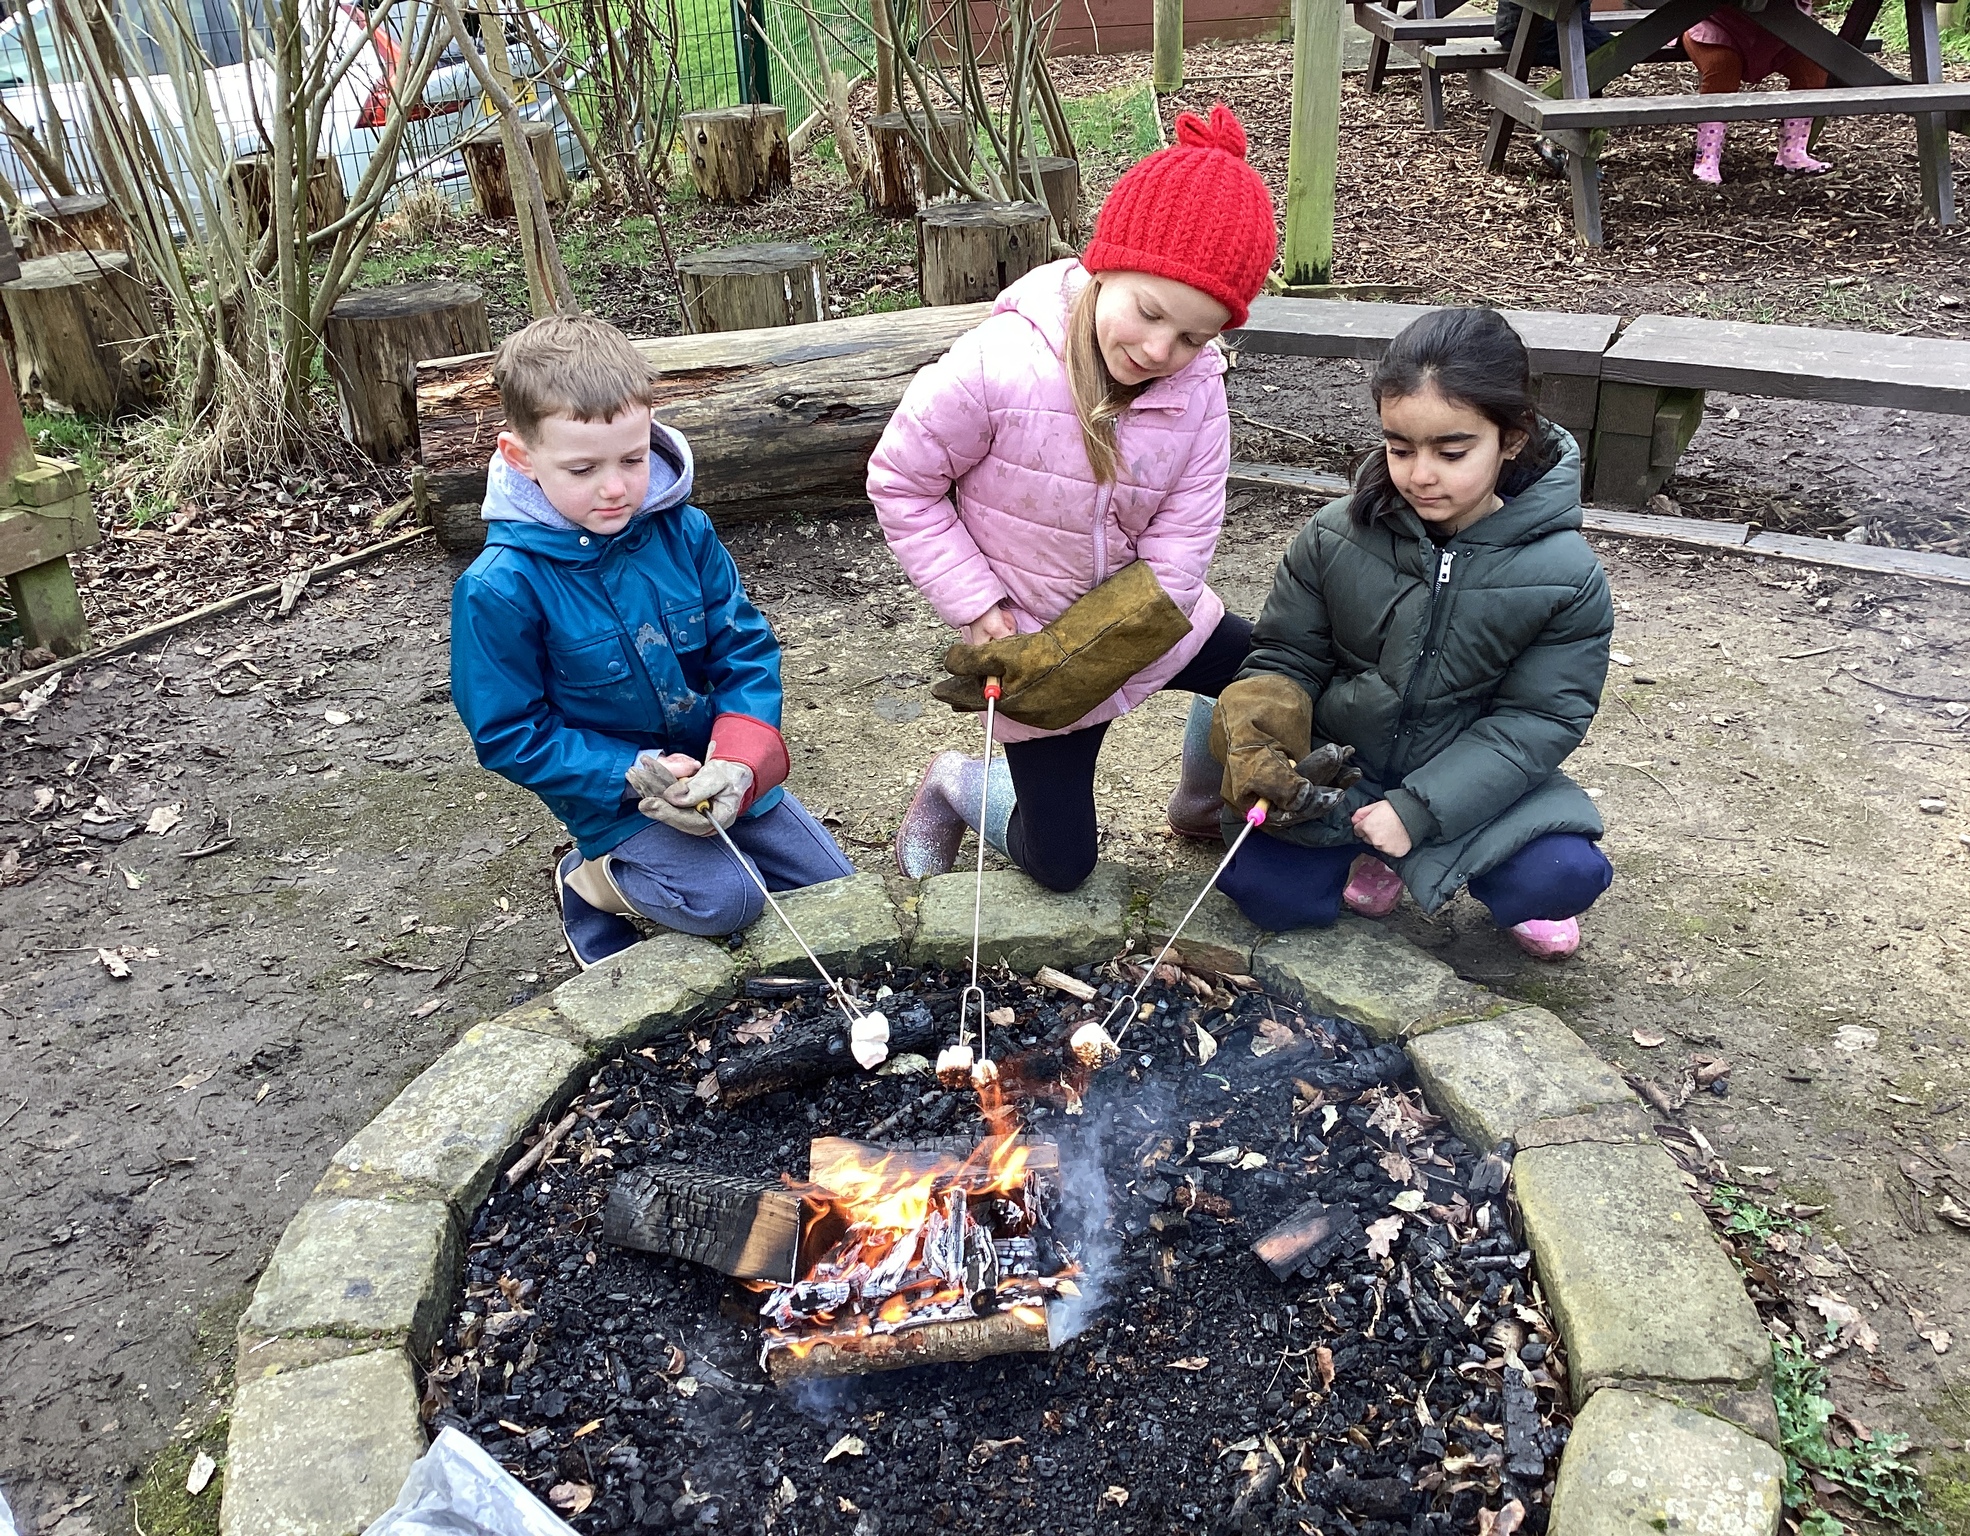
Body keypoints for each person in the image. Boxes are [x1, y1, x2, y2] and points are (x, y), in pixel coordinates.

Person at [869, 103, 1278, 893]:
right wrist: (976, 600)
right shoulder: (998, 364)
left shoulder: (1198, 389)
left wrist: (1119, 633)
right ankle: (959, 783)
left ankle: (1202, 804)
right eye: (1150, 313)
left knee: (1272, 677)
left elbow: (1186, 536)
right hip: (1037, 652)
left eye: (1193, 337)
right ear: (1104, 266)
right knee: (1061, 866)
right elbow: (901, 481)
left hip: (1152, 625)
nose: (1159, 349)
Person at [1205, 307, 1615, 960]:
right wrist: (1260, 729)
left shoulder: (1566, 574)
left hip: (1473, 782)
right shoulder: (1334, 536)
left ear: (1511, 438)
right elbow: (1285, 655)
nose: (1420, 474)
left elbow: (1538, 720)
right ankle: (1373, 855)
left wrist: (1417, 810)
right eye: (1399, 449)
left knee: (1562, 875)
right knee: (1264, 891)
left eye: (1451, 453)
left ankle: (1437, 857)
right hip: (1347, 774)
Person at [450, 313, 854, 968]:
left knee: (836, 890)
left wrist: (740, 762)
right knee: (729, 900)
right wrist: (630, 773)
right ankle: (588, 883)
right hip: (615, 799)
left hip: (717, 769)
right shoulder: (498, 588)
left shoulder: (685, 532)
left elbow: (744, 648)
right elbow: (508, 733)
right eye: (583, 468)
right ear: (520, 457)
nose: (615, 488)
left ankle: (711, 836)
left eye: (633, 460)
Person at [1684, 0, 1834, 182]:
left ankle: (1793, 152)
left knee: (1813, 65)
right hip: (1715, 23)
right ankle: (1707, 157)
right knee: (1722, 66)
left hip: (1784, 27)